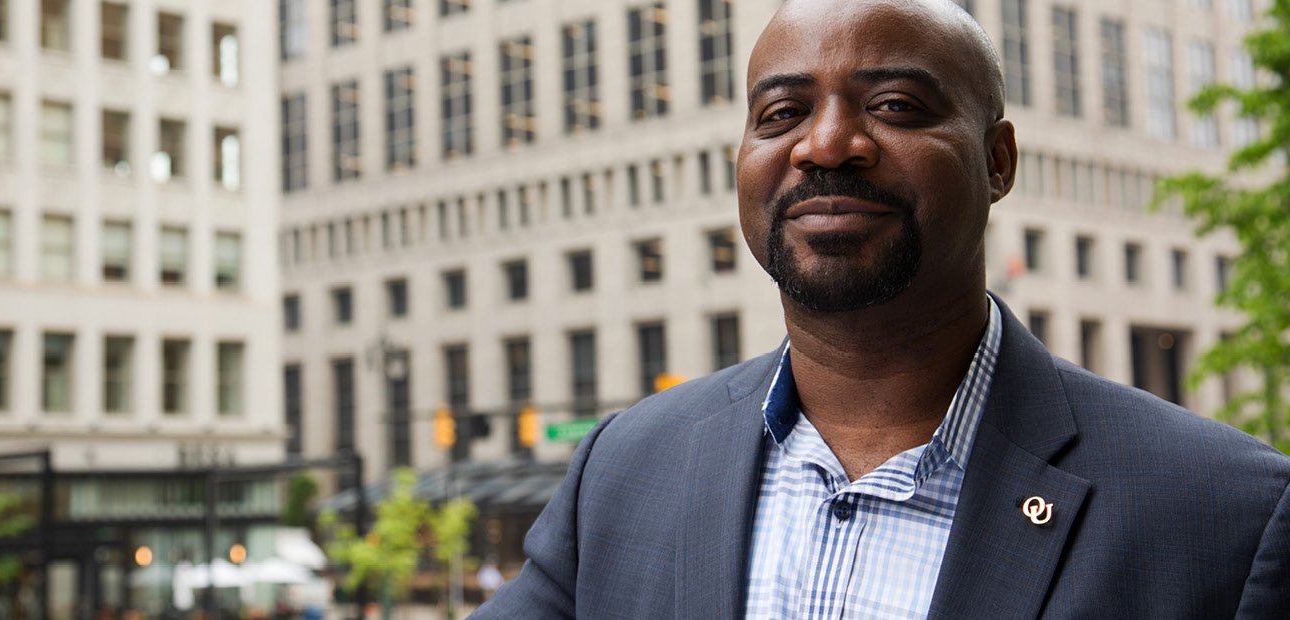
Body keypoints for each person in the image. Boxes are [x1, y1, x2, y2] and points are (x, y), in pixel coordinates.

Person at [469, 0, 1290, 617]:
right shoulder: (624, 468)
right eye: (781, 113)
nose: (826, 144)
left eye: (895, 106)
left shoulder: (1226, 513)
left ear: (997, 161)